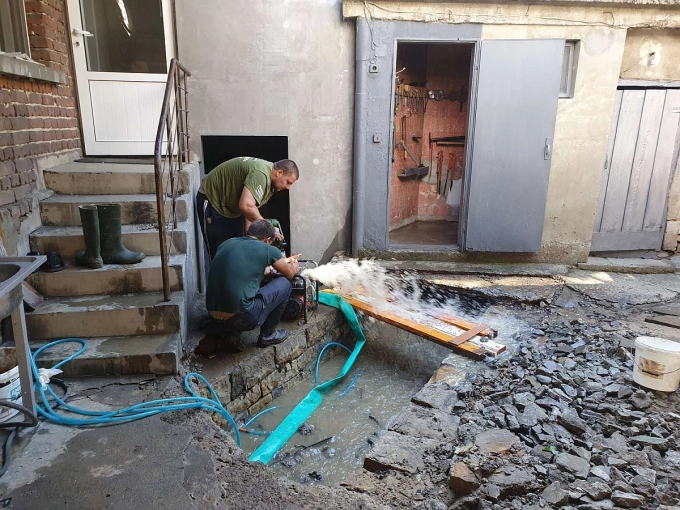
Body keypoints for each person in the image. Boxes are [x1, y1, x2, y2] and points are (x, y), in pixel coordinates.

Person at [198, 220, 300, 354]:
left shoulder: (227, 243)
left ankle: (229, 333)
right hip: (243, 319)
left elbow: (245, 271)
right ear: (268, 240)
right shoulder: (268, 249)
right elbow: (289, 273)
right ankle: (268, 334)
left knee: (245, 287)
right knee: (284, 284)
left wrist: (270, 270)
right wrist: (295, 265)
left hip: (213, 316)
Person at [196, 157, 299, 260]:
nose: (287, 187)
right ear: (279, 173)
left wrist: (251, 235)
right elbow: (246, 206)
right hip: (213, 201)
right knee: (220, 254)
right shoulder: (261, 175)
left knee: (237, 252)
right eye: (288, 182)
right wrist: (269, 228)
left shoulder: (269, 182)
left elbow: (251, 209)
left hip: (232, 209)